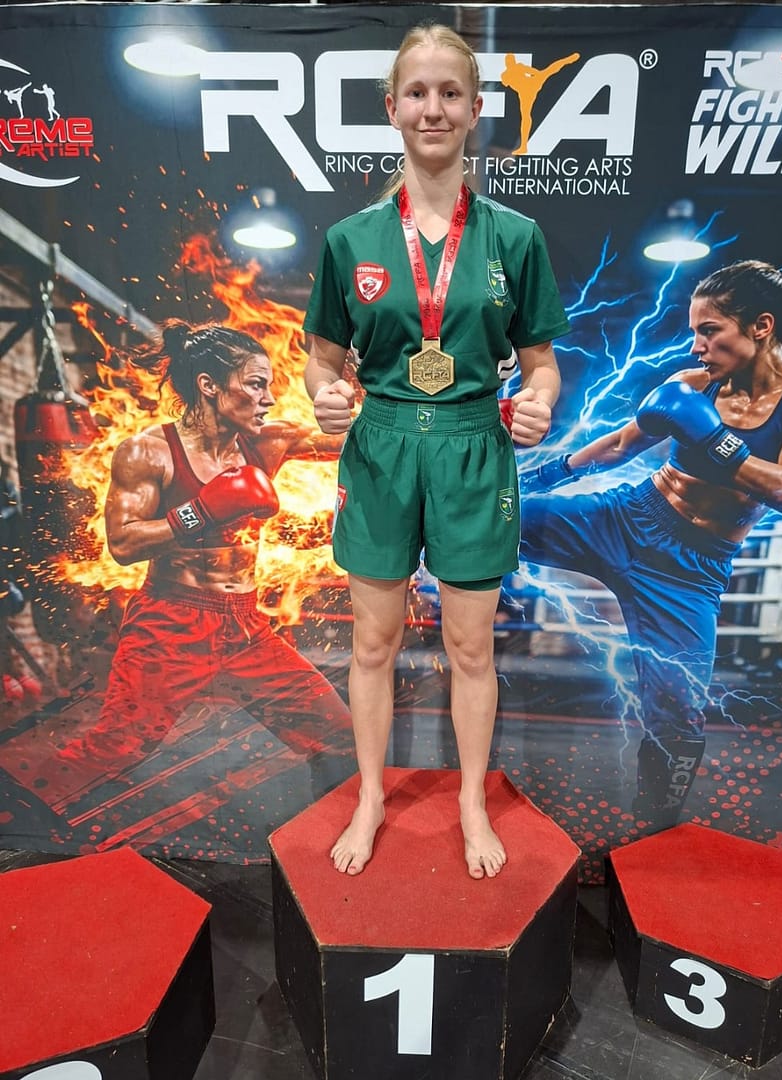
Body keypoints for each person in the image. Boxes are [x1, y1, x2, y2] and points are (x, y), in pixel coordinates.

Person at [303, 23, 569, 878]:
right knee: (372, 644)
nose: (433, 108)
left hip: (472, 445)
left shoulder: (515, 237)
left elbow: (540, 362)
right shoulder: (350, 239)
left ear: (475, 108)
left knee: (471, 649)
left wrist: (539, 402)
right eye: (417, 92)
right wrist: (324, 394)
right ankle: (371, 797)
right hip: (381, 445)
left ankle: (469, 804)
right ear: (392, 107)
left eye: (450, 93)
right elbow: (321, 358)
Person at [519, 254, 782, 830]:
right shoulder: (693, 384)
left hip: (690, 570)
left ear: (761, 326)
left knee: (678, 712)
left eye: (709, 330)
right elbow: (621, 445)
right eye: (694, 330)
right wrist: (542, 478)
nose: (696, 345)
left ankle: (653, 830)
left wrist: (713, 435)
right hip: (626, 516)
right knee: (487, 519)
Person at [58, 321, 351, 772]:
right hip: (170, 623)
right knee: (113, 751)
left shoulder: (269, 442)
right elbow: (123, 543)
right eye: (256, 384)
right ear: (208, 385)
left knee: (339, 736)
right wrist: (202, 511)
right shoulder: (147, 452)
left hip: (247, 626)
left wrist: (376, 376)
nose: (269, 399)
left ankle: (343, 816)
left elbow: (358, 438)